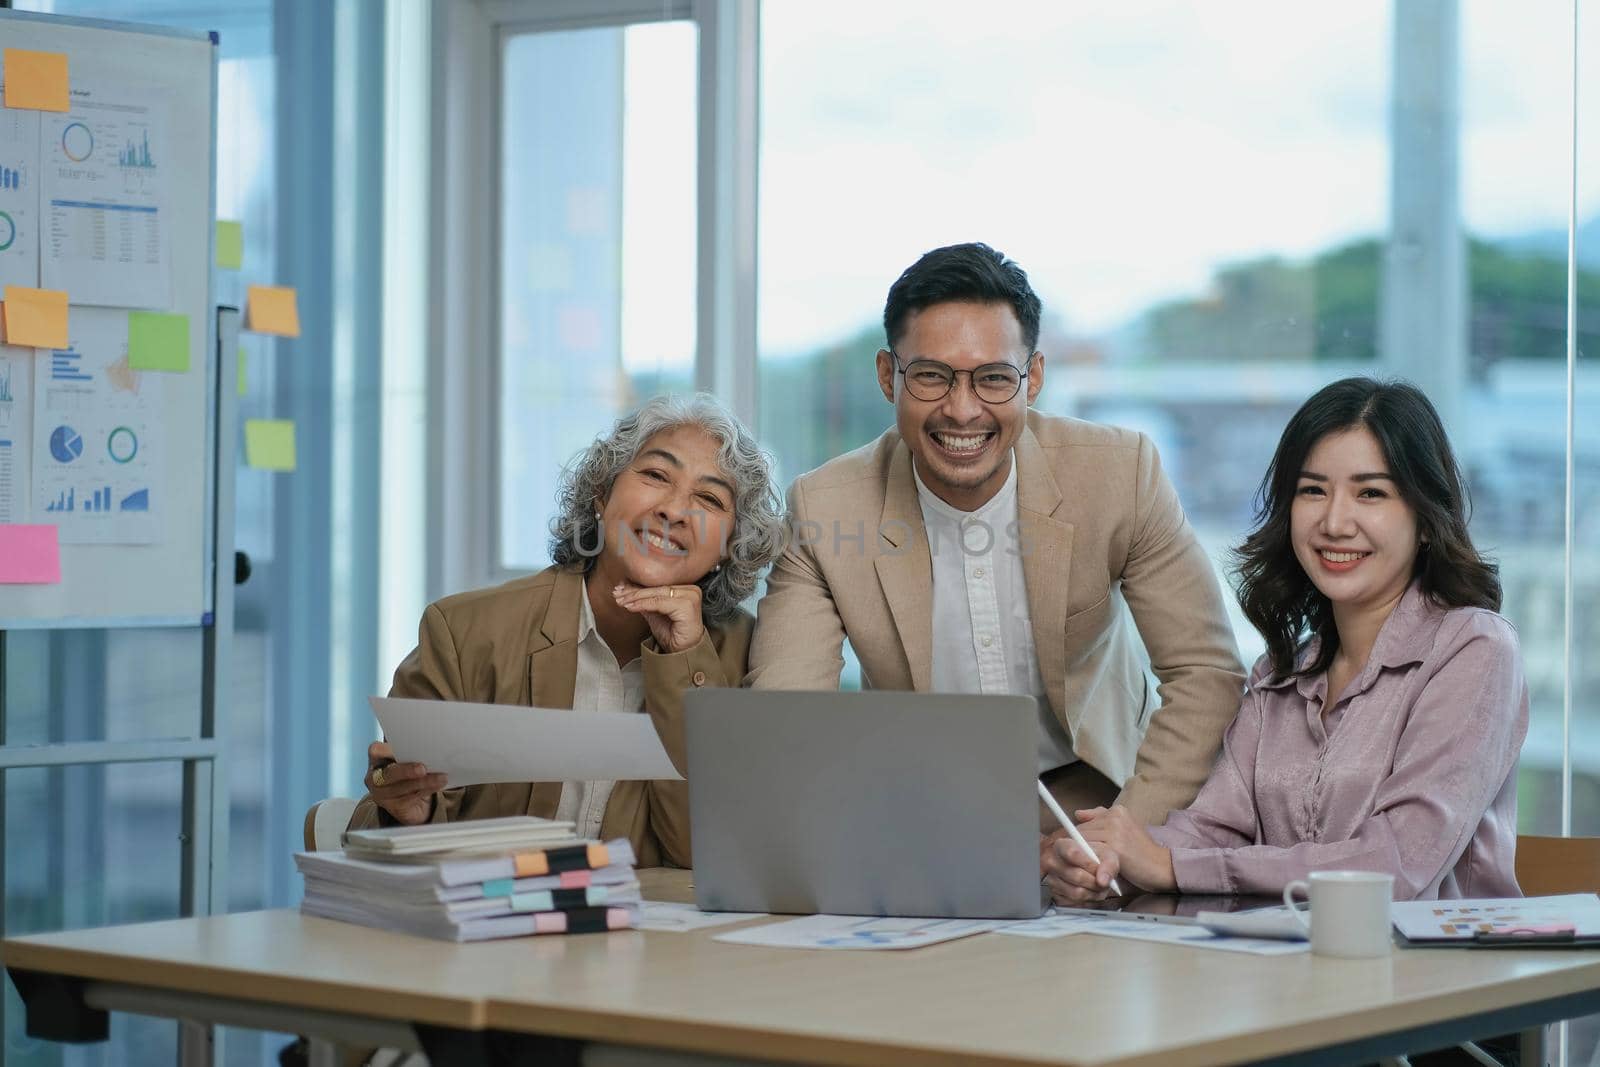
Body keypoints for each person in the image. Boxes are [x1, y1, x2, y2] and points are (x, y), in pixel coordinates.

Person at [747, 242, 1247, 830]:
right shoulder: (824, 509)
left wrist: (1127, 834)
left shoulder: (1119, 473)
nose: (962, 410)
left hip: (1109, 794)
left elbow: (1206, 676)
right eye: (931, 377)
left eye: (993, 378)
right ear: (889, 377)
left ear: (1032, 378)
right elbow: (788, 718)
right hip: (920, 813)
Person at [1044, 378, 1527, 903]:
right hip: (1288, 971)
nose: (1335, 522)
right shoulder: (1280, 676)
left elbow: (1396, 864)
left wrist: (1169, 864)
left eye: (1371, 493)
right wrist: (1107, 862)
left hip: (1438, 973)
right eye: (1313, 490)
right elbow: (1209, 830)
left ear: (1427, 519)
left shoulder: (1474, 649)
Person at [347, 393, 787, 868]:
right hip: (491, 930)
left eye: (708, 498)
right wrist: (412, 816)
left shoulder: (751, 656)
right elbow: (372, 840)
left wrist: (684, 661)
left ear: (729, 544)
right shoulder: (463, 632)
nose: (675, 510)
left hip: (655, 939)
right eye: (656, 475)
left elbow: (713, 853)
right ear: (602, 494)